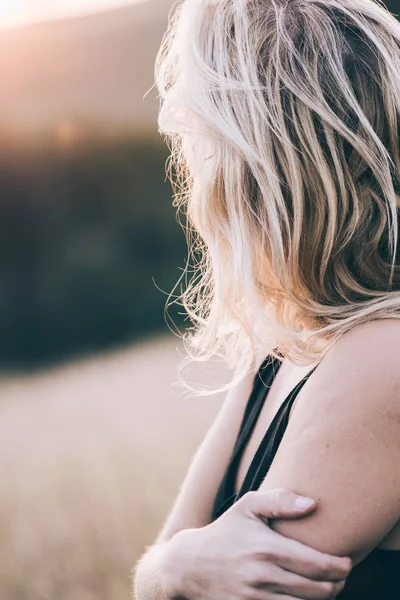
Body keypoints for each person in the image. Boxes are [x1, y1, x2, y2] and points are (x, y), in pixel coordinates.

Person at [134, 0, 400, 597]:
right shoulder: (281, 347)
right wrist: (174, 567)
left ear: (250, 155)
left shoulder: (383, 356)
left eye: (195, 128)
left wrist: (173, 569)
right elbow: (158, 568)